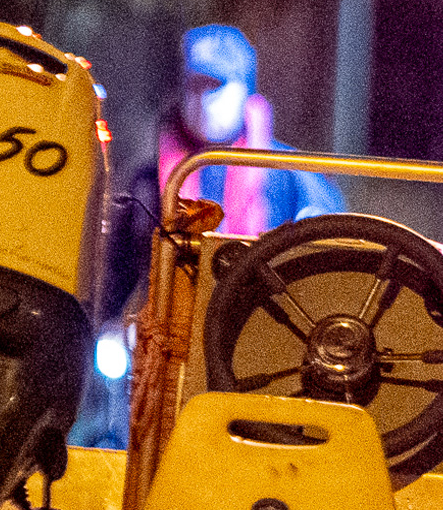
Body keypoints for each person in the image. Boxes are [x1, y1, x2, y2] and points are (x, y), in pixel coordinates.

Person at [97, 23, 342, 316]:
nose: (204, 98)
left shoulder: (294, 175)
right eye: (195, 84)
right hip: (171, 331)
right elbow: (115, 277)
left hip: (264, 327)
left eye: (217, 85)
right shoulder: (150, 182)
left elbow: (329, 267)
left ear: (246, 90)